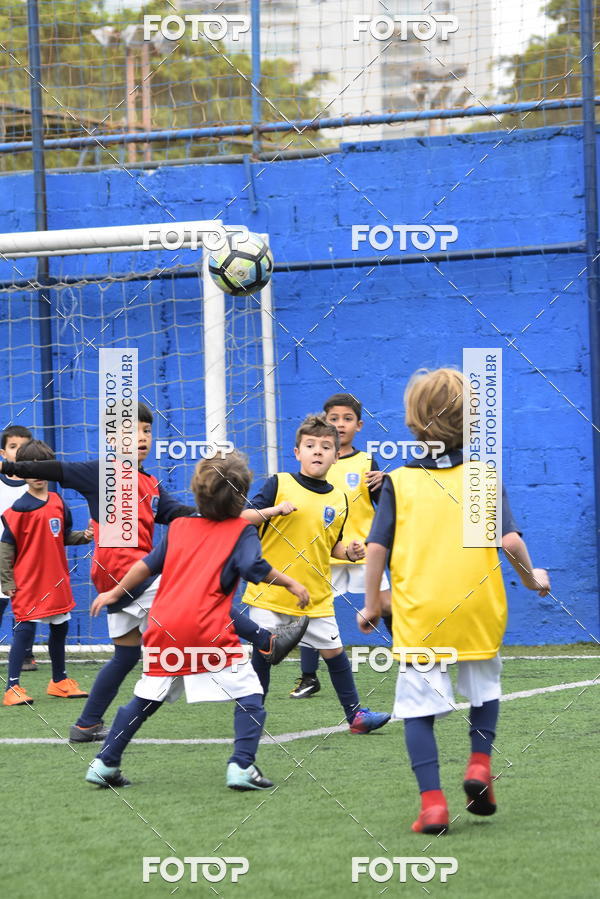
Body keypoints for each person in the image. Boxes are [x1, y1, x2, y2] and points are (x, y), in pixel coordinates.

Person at [0, 403, 301, 740]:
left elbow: (204, 516)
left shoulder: (151, 485)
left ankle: (86, 724)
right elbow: (54, 469)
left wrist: (270, 510)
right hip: (123, 571)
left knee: (125, 655)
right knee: (201, 599)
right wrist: (9, 465)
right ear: (113, 439)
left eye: (146, 431)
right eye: (131, 431)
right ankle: (267, 641)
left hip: (122, 578)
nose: (141, 437)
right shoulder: (103, 473)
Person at [359, 367, 551, 834]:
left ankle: (433, 806)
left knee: (417, 711)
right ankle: (480, 767)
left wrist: (370, 603)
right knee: (484, 691)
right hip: (477, 609)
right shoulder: (484, 477)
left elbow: (377, 550)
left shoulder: (398, 484)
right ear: (471, 423)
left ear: (411, 422)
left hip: (420, 614)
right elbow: (509, 543)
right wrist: (531, 579)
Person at [85, 450, 309, 791]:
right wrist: (291, 581)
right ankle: (241, 767)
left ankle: (104, 763)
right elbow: (254, 568)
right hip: (209, 632)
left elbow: (146, 566)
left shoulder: (178, 526)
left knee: (145, 698)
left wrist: (115, 592)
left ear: (197, 492)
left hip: (163, 630)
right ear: (242, 496)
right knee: (250, 694)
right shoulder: (241, 530)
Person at [242, 413, 391, 734]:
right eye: (310, 445)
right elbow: (246, 517)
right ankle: (253, 714)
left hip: (314, 595)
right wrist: (274, 510)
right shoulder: (278, 483)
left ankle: (356, 716)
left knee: (335, 655)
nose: (318, 451)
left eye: (326, 447)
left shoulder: (339, 499)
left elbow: (331, 545)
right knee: (263, 655)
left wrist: (348, 552)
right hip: (271, 592)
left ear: (337, 456)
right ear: (297, 452)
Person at [290, 393, 391, 699]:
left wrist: (386, 482)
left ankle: (409, 657)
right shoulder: (316, 460)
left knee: (386, 604)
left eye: (347, 419)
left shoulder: (366, 462)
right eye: (334, 419)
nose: (340, 424)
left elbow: (383, 502)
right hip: (326, 553)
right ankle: (308, 676)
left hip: (362, 551)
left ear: (359, 425)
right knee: (310, 609)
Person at [0, 440, 93, 706]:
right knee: (25, 630)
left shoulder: (58, 502)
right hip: (29, 581)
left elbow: (61, 536)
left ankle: (59, 681)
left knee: (60, 627)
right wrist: (7, 579)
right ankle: (13, 687)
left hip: (57, 580)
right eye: (31, 467)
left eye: (44, 467)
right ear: (20, 472)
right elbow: (6, 547)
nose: (38, 473)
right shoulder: (19, 509)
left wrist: (84, 537)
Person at [0, 426, 38, 671]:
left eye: (24, 448)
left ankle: (26, 654)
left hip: (27, 556)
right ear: (3, 453)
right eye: (13, 447)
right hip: (1, 555)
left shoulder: (35, 484)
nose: (19, 452)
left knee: (26, 606)